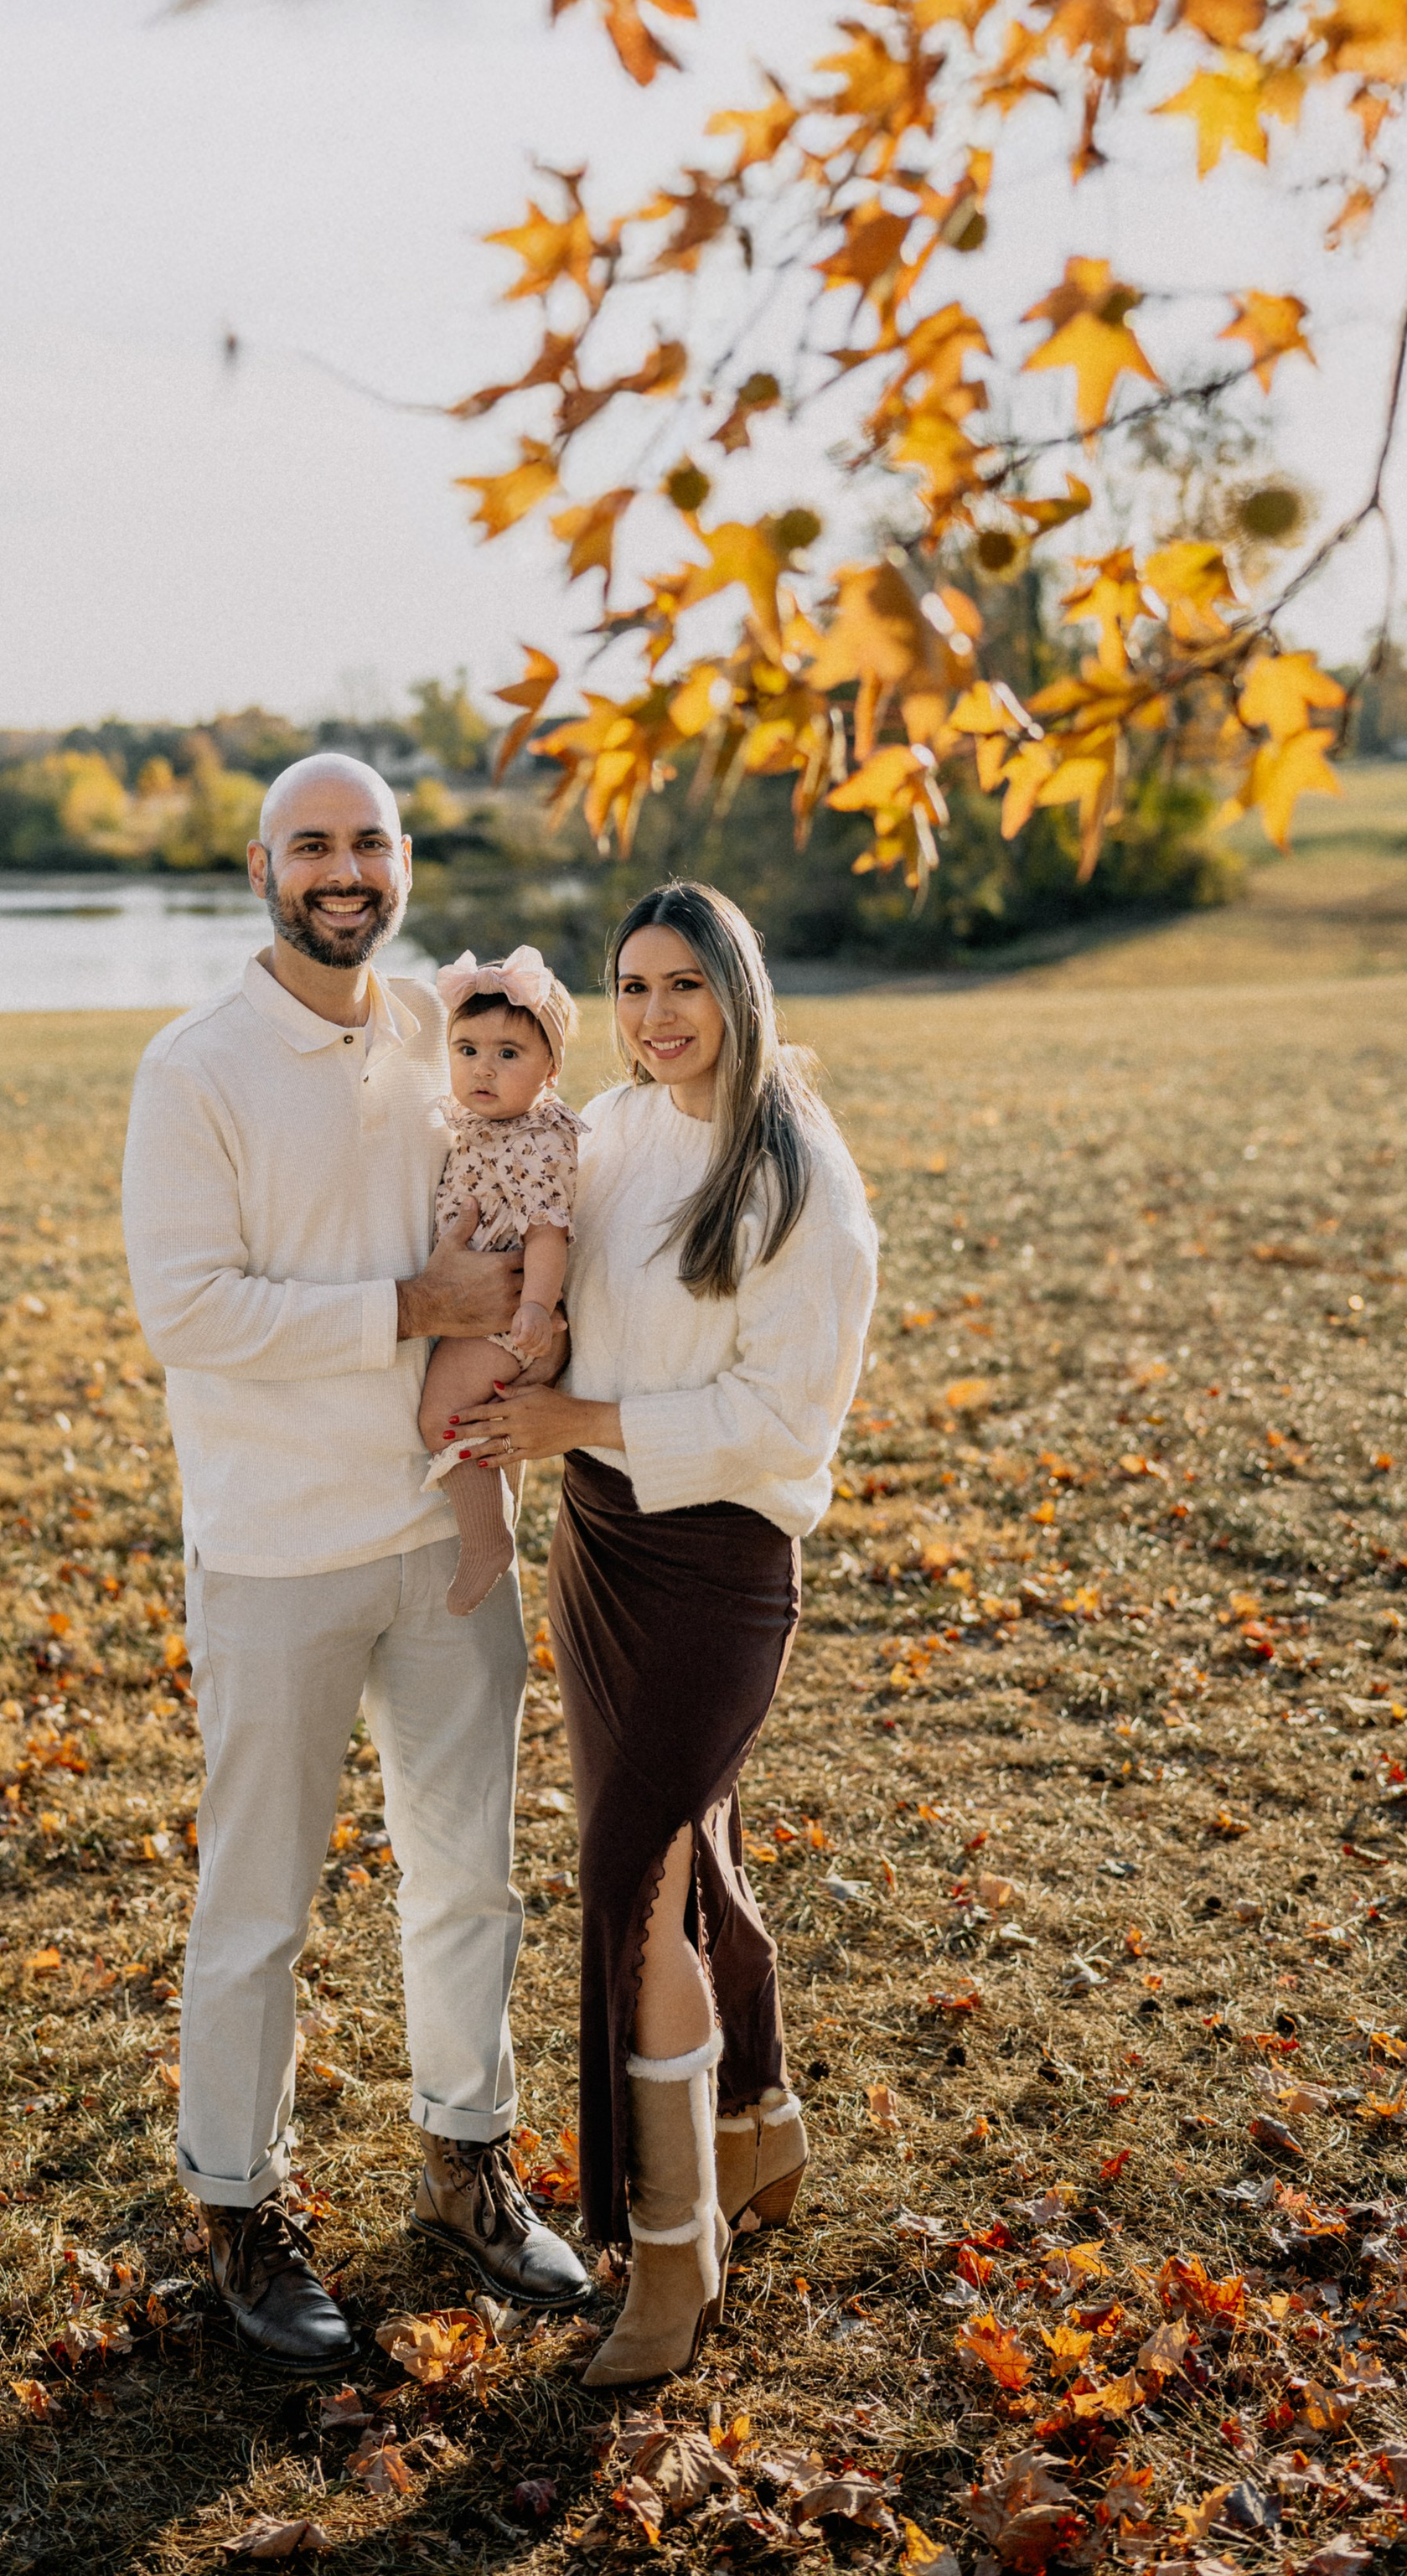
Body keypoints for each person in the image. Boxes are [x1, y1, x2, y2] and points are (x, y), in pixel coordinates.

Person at [119, 755, 592, 2372]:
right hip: (277, 1550)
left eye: (370, 842)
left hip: (446, 1528)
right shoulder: (195, 1068)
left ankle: (465, 2163)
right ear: (262, 869)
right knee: (259, 1901)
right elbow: (188, 1311)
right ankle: (238, 2204)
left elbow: (542, 1179)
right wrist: (410, 1309)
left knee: (469, 1875)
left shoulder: (438, 1039)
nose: (344, 869)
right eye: (311, 844)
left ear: (400, 864)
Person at [447, 879, 877, 2387]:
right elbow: (530, 1234)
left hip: (719, 1555)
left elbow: (785, 1419)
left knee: (632, 1877)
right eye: (630, 987)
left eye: (684, 983)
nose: (655, 1015)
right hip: (603, 1545)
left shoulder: (799, 1177)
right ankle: (757, 2121)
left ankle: (675, 2254)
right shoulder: (613, 1132)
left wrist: (576, 1419)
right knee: (690, 1849)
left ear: (739, 989)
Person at [417, 948, 582, 1618]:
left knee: (442, 1418)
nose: (483, 1068)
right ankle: (497, 1520)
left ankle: (487, 1541)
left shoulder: (538, 1140)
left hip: (506, 1317)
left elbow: (548, 1233)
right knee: (486, 1427)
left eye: (508, 1054)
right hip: (484, 1311)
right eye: (467, 1049)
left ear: (551, 1070)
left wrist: (536, 1308)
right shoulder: (478, 1128)